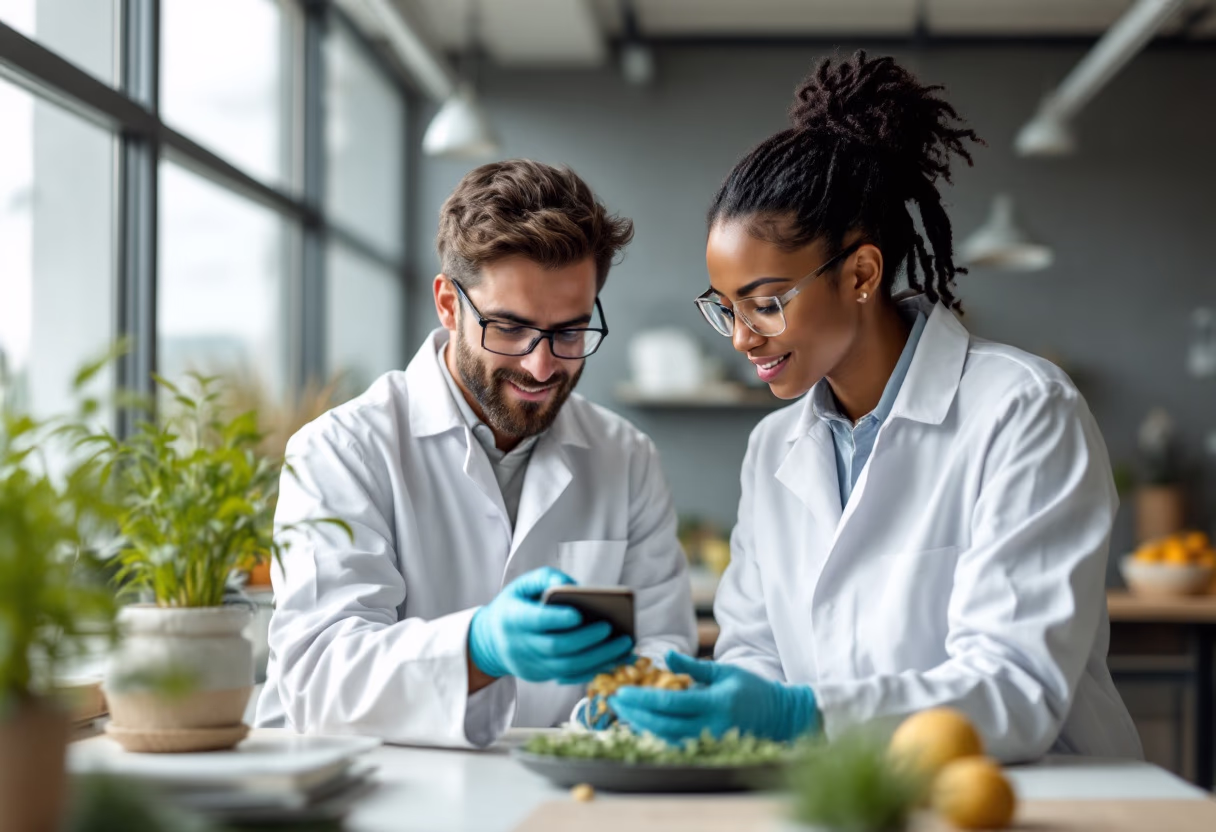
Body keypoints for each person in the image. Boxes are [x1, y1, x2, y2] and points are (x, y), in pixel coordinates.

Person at [607, 52, 1142, 762]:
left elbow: (1014, 687)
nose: (741, 337)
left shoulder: (1024, 412)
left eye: (766, 303)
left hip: (1025, 799)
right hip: (848, 797)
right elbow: (757, 653)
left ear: (861, 273)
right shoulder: (774, 448)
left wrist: (799, 715)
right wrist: (707, 699)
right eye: (726, 308)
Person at [256, 159, 695, 747]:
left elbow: (661, 643)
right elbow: (321, 678)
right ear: (448, 304)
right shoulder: (341, 451)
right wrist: (477, 647)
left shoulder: (626, 457)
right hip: (385, 795)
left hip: (562, 784)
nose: (542, 367)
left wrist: (627, 708)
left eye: (570, 332)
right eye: (509, 328)